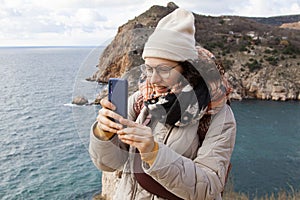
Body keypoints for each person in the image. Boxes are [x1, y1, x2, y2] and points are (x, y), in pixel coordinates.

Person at [89, 8, 236, 200]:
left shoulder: (217, 114)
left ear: (187, 68)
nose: (153, 79)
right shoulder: (141, 100)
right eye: (148, 69)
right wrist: (103, 134)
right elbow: (108, 164)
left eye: (164, 70)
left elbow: (209, 188)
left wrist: (154, 153)